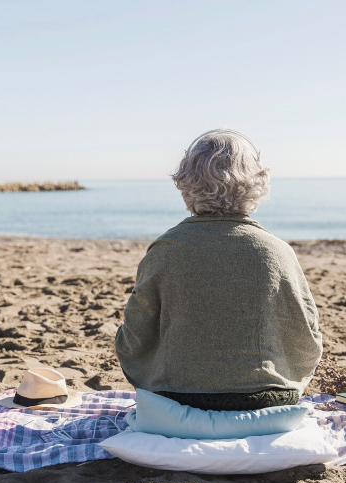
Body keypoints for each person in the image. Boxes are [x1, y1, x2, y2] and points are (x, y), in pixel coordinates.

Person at [115, 129, 322, 411]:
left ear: (186, 182)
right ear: (257, 182)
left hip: (175, 400)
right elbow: (307, 338)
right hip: (267, 401)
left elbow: (134, 337)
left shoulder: (165, 250)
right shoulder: (277, 252)